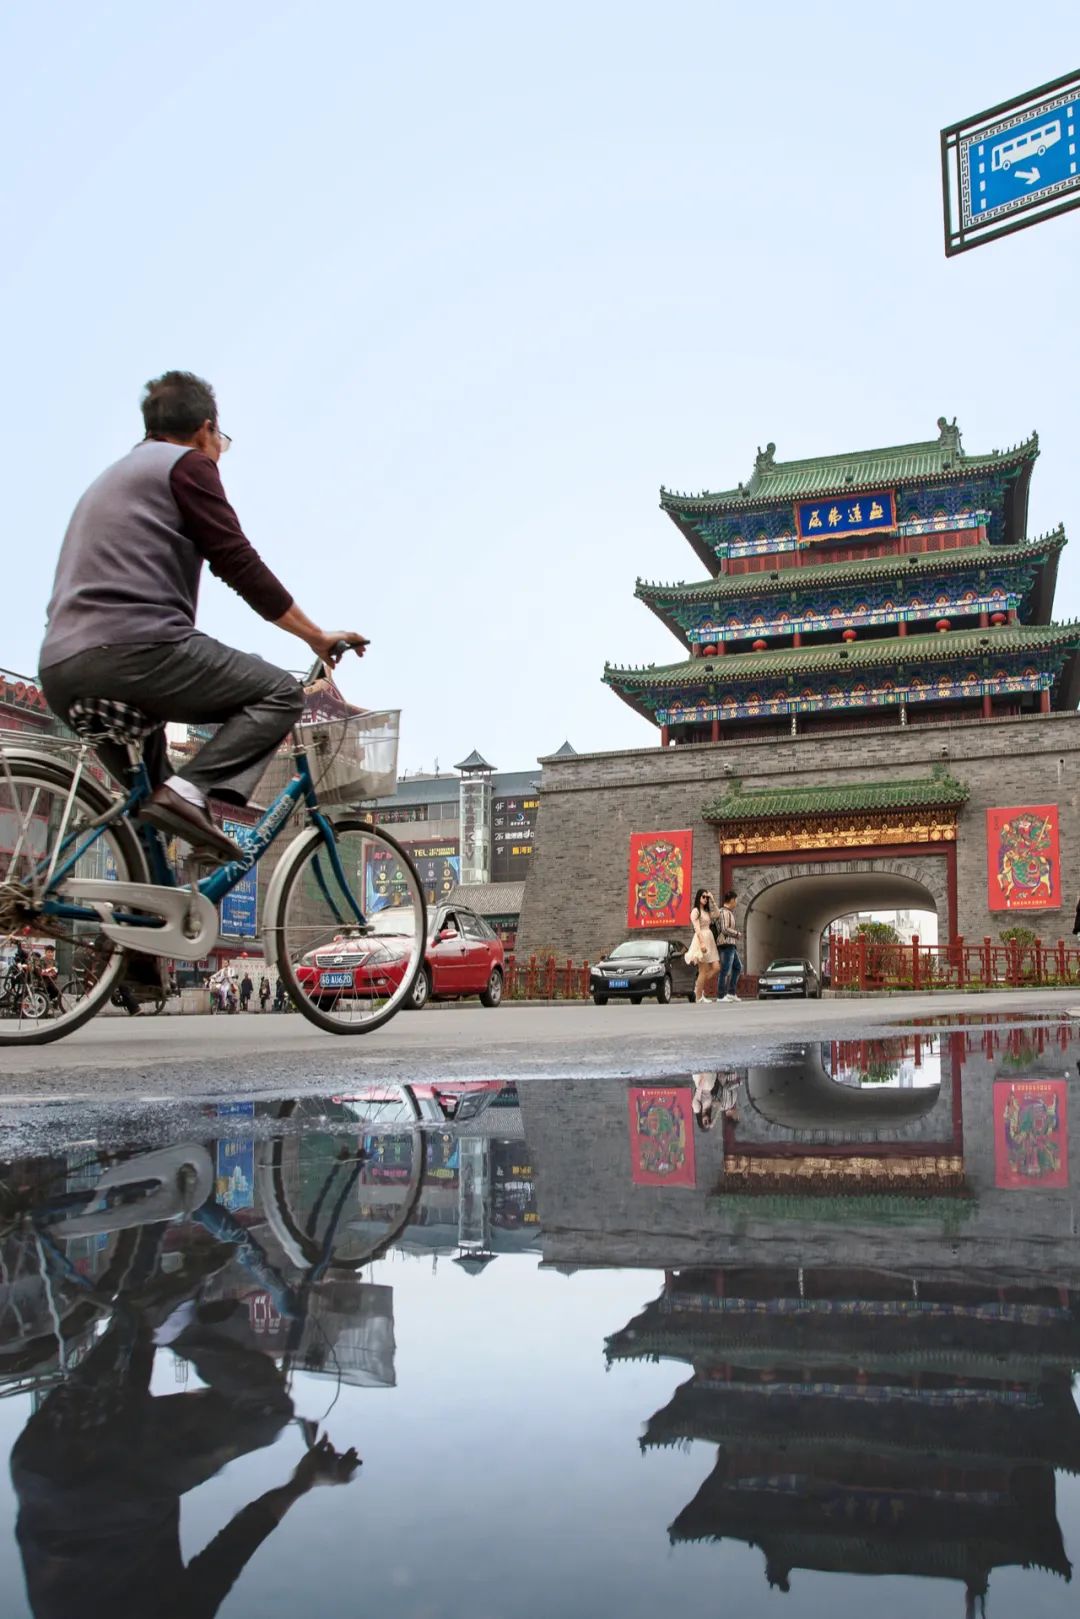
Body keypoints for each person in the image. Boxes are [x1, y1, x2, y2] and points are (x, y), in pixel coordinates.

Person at [38, 370, 367, 860]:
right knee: (280, 693)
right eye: (220, 441)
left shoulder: (113, 478)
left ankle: (146, 895)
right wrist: (315, 636)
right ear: (206, 430)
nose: (218, 452)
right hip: (134, 650)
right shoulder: (186, 465)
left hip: (62, 669)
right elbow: (237, 561)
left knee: (151, 813)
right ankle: (187, 794)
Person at [689, 888, 720, 1003]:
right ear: (698, 897)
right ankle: (698, 997)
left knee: (716, 967)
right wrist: (701, 943)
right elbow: (697, 929)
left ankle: (698, 987)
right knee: (703, 970)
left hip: (710, 940)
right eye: (703, 897)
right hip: (701, 939)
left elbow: (717, 914)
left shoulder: (706, 911)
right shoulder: (695, 911)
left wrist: (713, 900)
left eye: (707, 897)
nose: (705, 899)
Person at [716, 888, 743, 1002]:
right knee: (725, 970)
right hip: (726, 944)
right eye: (735, 900)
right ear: (731, 900)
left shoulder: (729, 912)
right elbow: (724, 929)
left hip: (731, 944)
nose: (736, 903)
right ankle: (721, 996)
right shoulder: (723, 912)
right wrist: (736, 933)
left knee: (738, 967)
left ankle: (731, 993)